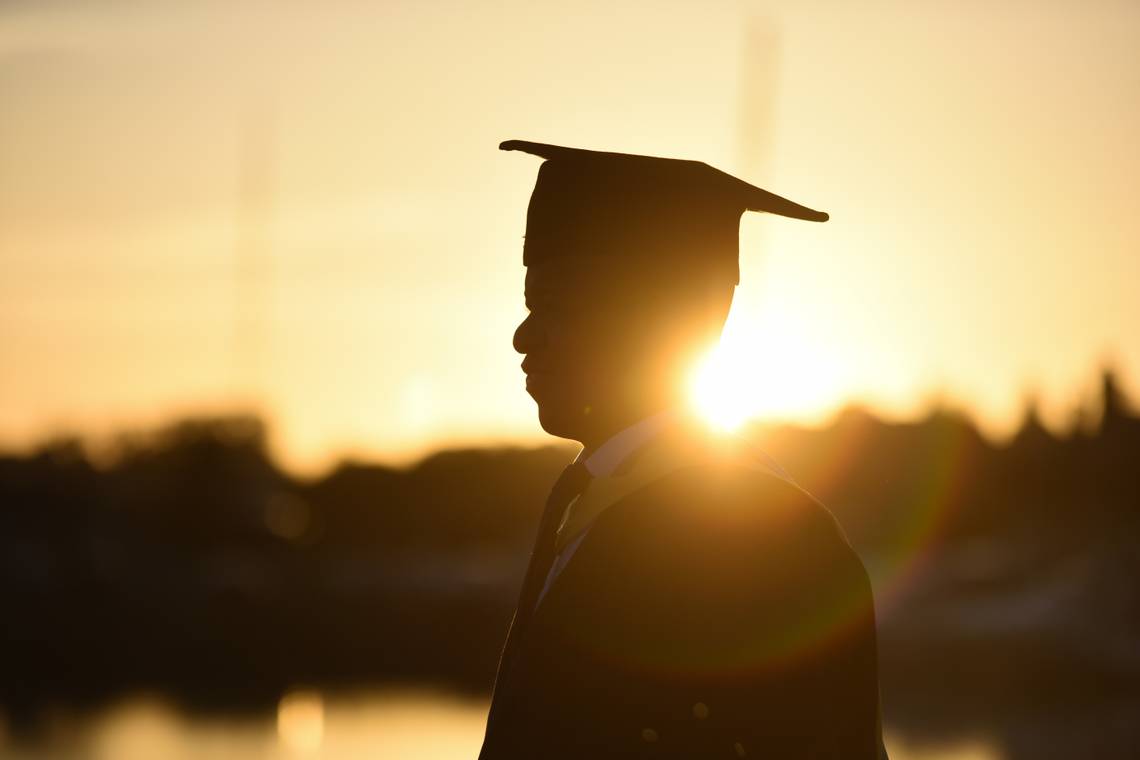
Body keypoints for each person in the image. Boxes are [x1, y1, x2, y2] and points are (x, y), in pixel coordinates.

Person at [479, 139, 886, 759]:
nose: (521, 336)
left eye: (553, 308)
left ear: (646, 326)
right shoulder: (586, 498)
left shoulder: (768, 542)